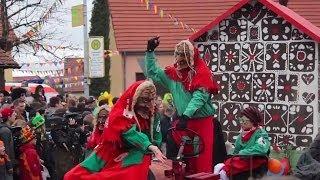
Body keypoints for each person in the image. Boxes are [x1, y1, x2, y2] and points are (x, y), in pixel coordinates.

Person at [144, 36, 219, 174]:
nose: (180, 57)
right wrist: (150, 52)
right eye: (178, 54)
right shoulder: (173, 74)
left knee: (202, 160)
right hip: (184, 122)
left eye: (183, 54)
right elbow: (153, 72)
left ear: (191, 56)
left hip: (202, 122)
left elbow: (200, 97)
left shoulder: (202, 73)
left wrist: (185, 115)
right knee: (181, 157)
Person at [64, 80, 165, 180]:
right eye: (145, 100)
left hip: (137, 153)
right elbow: (127, 131)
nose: (149, 104)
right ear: (135, 98)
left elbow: (155, 138)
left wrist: (150, 147)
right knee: (73, 176)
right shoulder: (120, 113)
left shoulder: (153, 115)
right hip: (109, 150)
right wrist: (149, 145)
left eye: (152, 100)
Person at [213, 107, 270, 180]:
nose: (242, 123)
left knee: (230, 168)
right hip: (244, 161)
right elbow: (235, 152)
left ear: (253, 121)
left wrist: (242, 153)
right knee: (221, 165)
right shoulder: (241, 136)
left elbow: (261, 149)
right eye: (241, 120)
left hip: (256, 163)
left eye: (244, 121)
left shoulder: (261, 133)